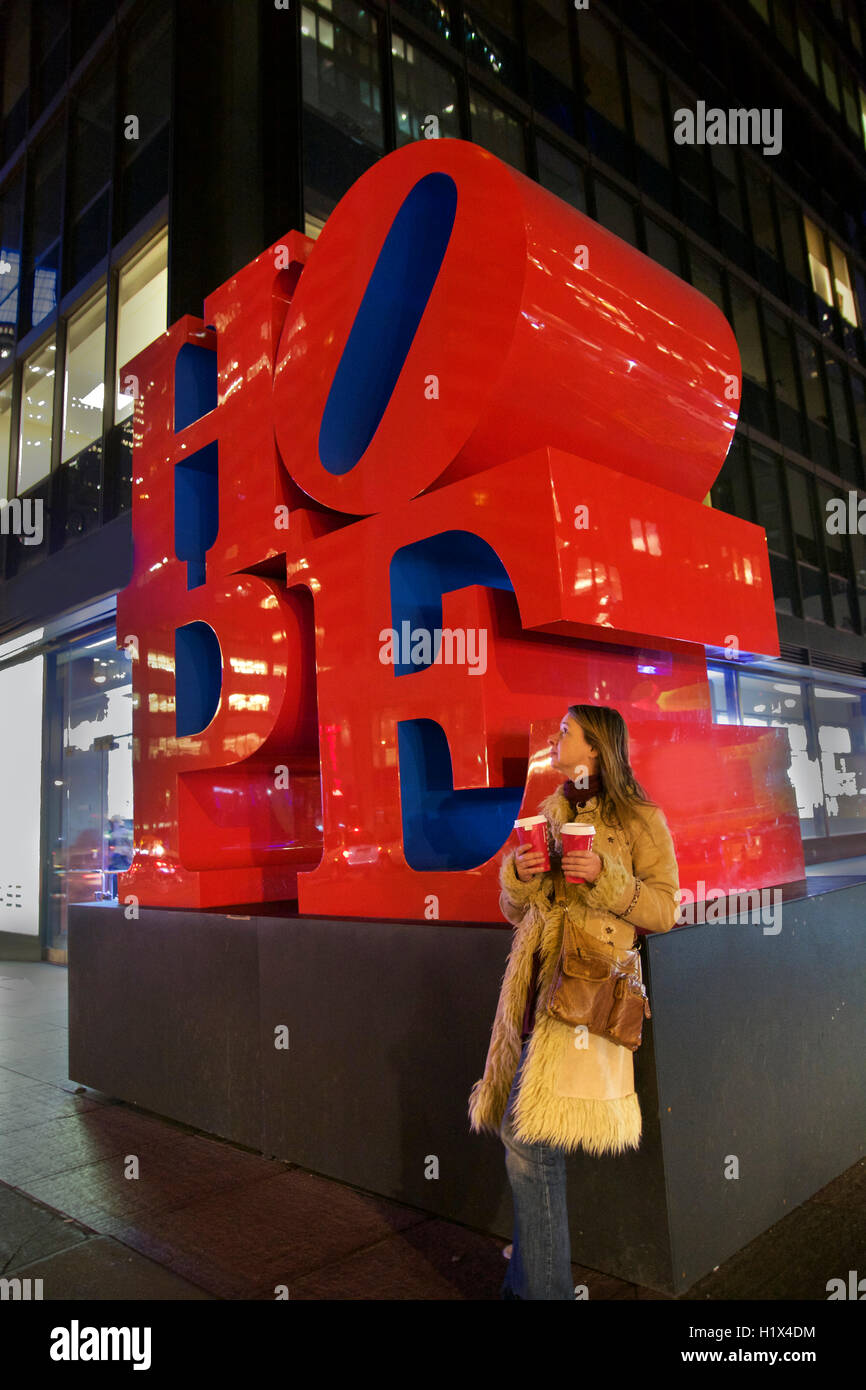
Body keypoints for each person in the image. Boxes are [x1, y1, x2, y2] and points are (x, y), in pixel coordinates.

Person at [467, 704, 680, 1300]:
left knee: (528, 1140)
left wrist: (608, 878)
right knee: (527, 1138)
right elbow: (514, 910)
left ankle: (541, 1289)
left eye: (567, 731)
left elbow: (666, 908)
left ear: (595, 749)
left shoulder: (639, 818)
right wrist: (519, 874)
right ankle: (529, 1283)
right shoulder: (549, 812)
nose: (556, 737)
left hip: (586, 994)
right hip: (536, 991)